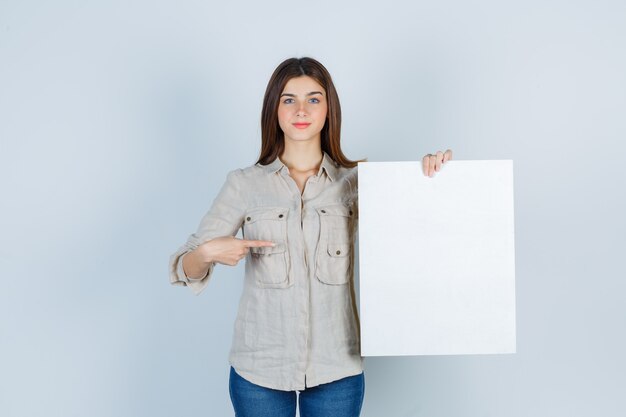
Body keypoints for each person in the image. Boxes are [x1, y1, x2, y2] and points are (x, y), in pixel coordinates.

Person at [169, 57, 452, 417]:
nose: (301, 109)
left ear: (329, 108)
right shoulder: (243, 184)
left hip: (338, 370)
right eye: (289, 99)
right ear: (274, 109)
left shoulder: (356, 182)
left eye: (313, 99)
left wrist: (432, 176)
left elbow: (420, 224)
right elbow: (184, 265)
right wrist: (208, 252)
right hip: (259, 371)